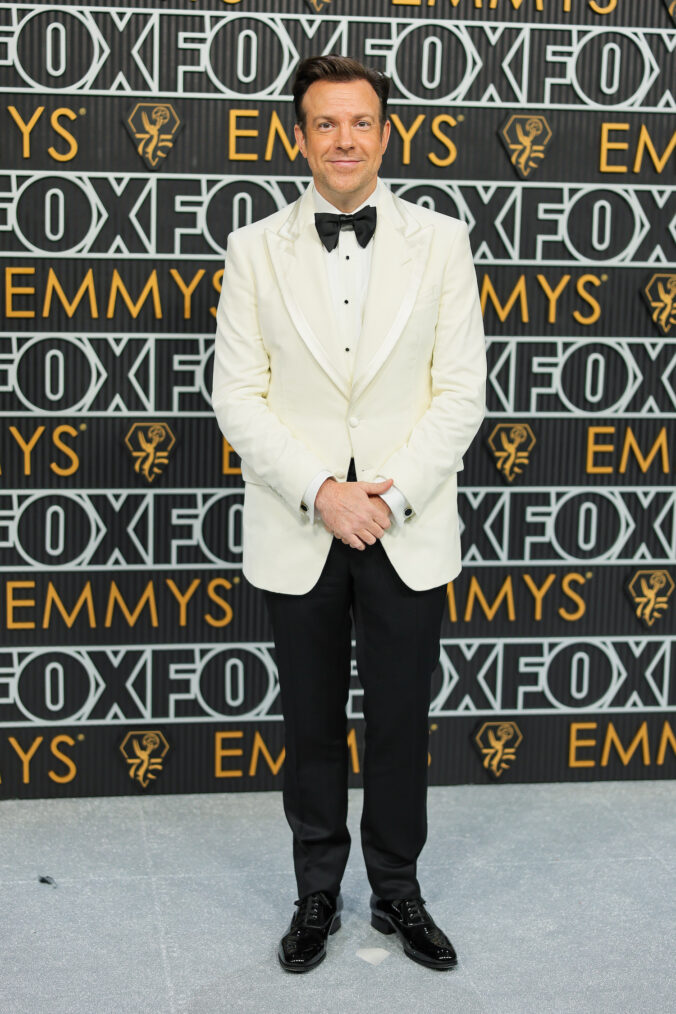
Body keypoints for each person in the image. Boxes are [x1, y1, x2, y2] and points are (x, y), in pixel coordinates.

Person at [212, 55, 486, 973]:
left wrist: (392, 494)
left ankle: (398, 892)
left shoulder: (444, 242)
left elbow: (461, 394)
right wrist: (323, 492)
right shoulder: (253, 248)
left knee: (402, 722)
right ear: (300, 137)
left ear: (385, 131)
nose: (343, 140)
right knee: (313, 725)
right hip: (302, 523)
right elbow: (238, 396)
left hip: (408, 523)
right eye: (325, 124)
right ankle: (317, 893)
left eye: (360, 122)